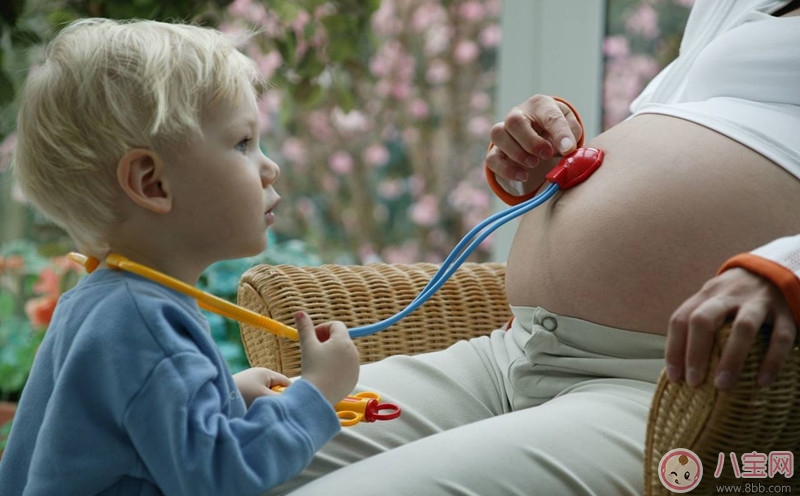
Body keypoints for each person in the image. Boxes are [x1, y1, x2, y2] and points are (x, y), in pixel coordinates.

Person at [265, 0, 800, 494]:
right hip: (509, 352)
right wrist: (545, 160)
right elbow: (698, 132)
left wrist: (782, 267)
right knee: (217, 454)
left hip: (667, 389)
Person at [0, 18, 360, 495]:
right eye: (242, 143)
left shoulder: (104, 302)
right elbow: (221, 477)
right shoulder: (143, 321)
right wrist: (317, 393)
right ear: (153, 183)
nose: (269, 167)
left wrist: (225, 395)